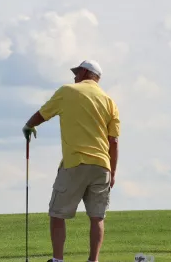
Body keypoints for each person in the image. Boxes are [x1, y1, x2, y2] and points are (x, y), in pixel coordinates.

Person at [22, 60, 120, 262]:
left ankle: (58, 260)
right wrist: (113, 173)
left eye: (76, 72)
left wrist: (28, 126)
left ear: (85, 72)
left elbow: (42, 114)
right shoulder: (110, 101)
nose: (74, 76)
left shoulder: (68, 91)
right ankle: (93, 260)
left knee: (57, 213)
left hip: (75, 162)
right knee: (97, 217)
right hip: (103, 165)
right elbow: (114, 142)